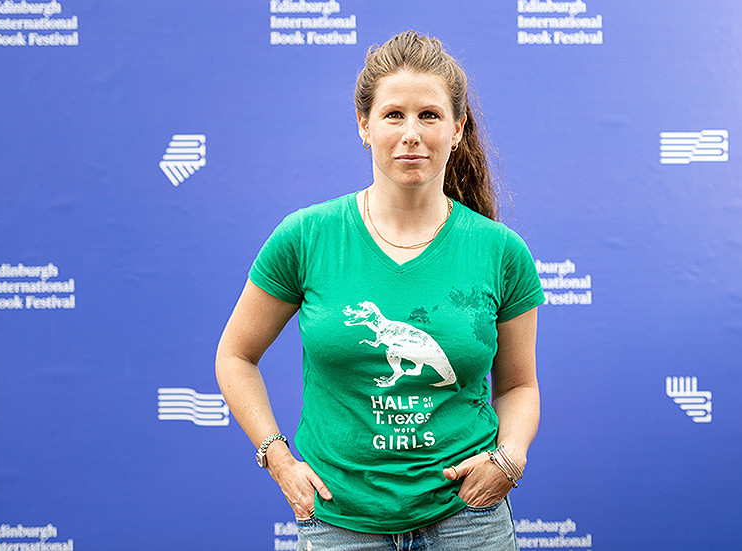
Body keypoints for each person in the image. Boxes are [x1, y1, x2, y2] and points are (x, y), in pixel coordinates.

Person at [215, 30, 544, 551]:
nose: (411, 133)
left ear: (457, 129)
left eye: (429, 116)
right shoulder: (307, 237)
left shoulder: (501, 251)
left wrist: (510, 456)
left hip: (467, 518)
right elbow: (235, 355)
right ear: (364, 126)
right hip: (340, 522)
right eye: (393, 115)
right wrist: (277, 456)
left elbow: (520, 386)